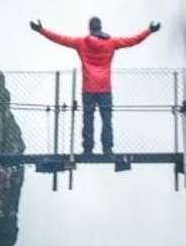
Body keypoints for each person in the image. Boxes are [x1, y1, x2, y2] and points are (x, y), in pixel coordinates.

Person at [29, 16, 160, 155]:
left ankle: (87, 149)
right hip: (105, 88)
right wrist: (149, 30)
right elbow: (132, 40)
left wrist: (41, 30)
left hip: (88, 88)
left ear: (90, 28)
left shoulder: (80, 43)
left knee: (88, 119)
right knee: (107, 119)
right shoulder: (112, 42)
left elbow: (60, 39)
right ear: (100, 27)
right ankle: (107, 148)